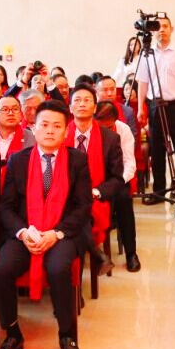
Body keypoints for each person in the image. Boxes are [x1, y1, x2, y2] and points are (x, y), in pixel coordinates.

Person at [0, 100, 91, 349]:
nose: (49, 131)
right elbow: (6, 206)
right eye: (44, 125)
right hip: (26, 231)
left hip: (62, 233)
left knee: (58, 269)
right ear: (33, 128)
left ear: (66, 131)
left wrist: (56, 234)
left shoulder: (77, 160)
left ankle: (67, 335)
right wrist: (23, 233)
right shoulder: (18, 160)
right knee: (0, 271)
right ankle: (13, 334)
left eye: (57, 126)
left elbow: (83, 207)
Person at [136, 15, 175, 207]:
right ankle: (159, 191)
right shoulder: (147, 53)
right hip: (155, 106)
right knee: (157, 151)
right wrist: (141, 107)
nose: (161, 29)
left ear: (171, 29)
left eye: (165, 26)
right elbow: (142, 82)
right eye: (158, 27)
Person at [67, 85, 124, 275]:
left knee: (81, 209)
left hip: (95, 198)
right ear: (70, 107)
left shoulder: (110, 138)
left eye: (87, 100)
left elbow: (117, 178)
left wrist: (97, 192)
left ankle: (72, 277)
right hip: (62, 196)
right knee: (74, 210)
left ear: (94, 107)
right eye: (77, 100)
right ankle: (95, 253)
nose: (82, 104)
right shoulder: (61, 133)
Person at [93, 101, 141, 272]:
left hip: (117, 178)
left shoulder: (123, 129)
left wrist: (116, 183)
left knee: (123, 199)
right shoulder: (89, 128)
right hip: (93, 179)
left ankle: (131, 253)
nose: (105, 131)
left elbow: (129, 164)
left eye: (108, 127)